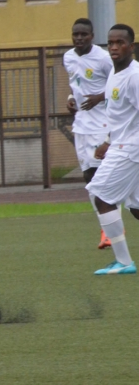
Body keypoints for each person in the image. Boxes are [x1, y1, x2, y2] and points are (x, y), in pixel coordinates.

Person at [85, 24, 139, 275]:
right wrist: (108, 140)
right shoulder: (115, 73)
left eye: (120, 42)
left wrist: (118, 143)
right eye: (111, 43)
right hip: (122, 144)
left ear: (132, 46)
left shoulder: (135, 76)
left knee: (103, 198)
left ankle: (124, 263)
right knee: (137, 209)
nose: (114, 47)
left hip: (130, 148)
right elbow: (120, 116)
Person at [63, 18, 114, 249]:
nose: (79, 38)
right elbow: (75, 85)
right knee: (89, 180)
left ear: (92, 36)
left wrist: (99, 97)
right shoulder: (68, 57)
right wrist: (71, 99)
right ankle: (106, 227)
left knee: (103, 180)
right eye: (76, 34)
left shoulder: (103, 58)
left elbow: (118, 84)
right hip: (81, 126)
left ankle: (110, 229)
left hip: (102, 125)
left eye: (84, 34)